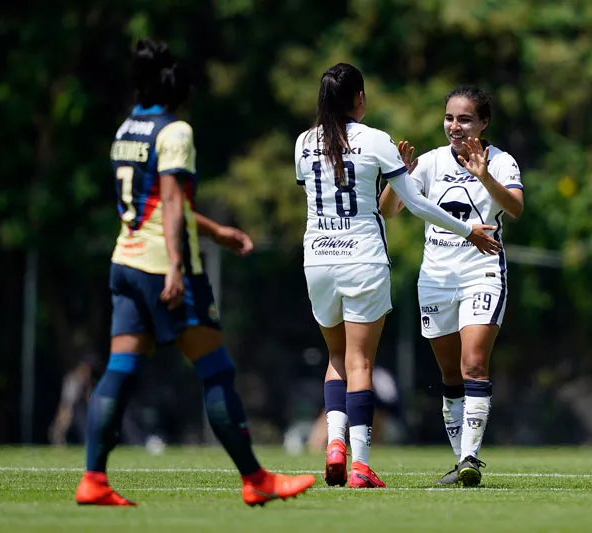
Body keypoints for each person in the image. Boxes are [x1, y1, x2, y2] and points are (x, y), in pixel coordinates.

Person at [74, 38, 315, 507]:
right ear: (180, 93)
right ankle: (256, 479)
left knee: (120, 370)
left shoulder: (127, 128)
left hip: (125, 262)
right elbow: (169, 201)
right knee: (217, 370)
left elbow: (153, 202)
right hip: (162, 267)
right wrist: (176, 267)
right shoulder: (175, 131)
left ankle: (93, 479)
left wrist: (216, 231)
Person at [294, 64, 501, 488]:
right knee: (361, 361)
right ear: (360, 99)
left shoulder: (304, 142)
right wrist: (467, 230)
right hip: (362, 259)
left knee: (336, 358)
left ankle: (334, 445)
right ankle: (359, 464)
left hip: (317, 258)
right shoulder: (375, 140)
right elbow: (415, 203)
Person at [379, 86, 524, 487]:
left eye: (465, 119)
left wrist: (484, 177)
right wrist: (399, 176)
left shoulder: (502, 161)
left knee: (472, 363)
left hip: (482, 272)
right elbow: (388, 210)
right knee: (449, 374)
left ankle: (471, 458)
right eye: (449, 118)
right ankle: (461, 460)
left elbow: (514, 208)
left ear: (484, 123)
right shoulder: (431, 161)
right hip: (436, 279)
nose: (455, 126)